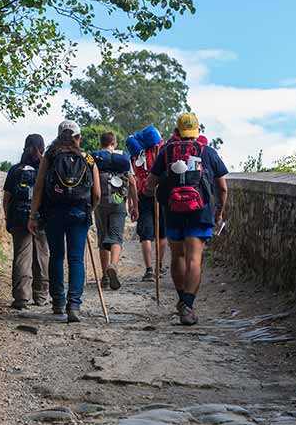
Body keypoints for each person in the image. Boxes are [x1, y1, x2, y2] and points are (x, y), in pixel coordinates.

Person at [147, 113, 229, 326]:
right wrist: (219, 213)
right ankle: (188, 305)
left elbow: (150, 182)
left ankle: (182, 299)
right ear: (197, 132)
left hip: (173, 211)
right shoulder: (208, 152)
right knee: (195, 259)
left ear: (177, 131)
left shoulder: (166, 152)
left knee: (178, 255)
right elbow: (222, 188)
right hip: (200, 211)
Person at [28, 120, 101, 322]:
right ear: (77, 137)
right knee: (76, 258)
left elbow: (39, 188)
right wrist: (90, 210)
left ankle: (58, 302)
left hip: (53, 213)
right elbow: (97, 194)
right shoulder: (88, 159)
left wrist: (33, 215)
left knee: (57, 256)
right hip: (79, 213)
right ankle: (74, 306)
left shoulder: (50, 157)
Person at [3, 135, 50, 309]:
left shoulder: (15, 170)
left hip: (19, 217)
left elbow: (7, 198)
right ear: (43, 148)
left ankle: (21, 297)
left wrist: (8, 217)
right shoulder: (45, 170)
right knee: (42, 256)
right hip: (41, 218)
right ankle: (41, 296)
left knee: (22, 257)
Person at [92, 132, 136, 290]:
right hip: (118, 200)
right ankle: (114, 265)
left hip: (100, 201)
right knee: (116, 237)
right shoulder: (123, 158)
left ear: (101, 143)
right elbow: (131, 182)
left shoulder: (96, 159)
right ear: (114, 143)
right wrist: (134, 204)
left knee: (103, 237)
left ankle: (104, 276)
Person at [126, 125, 167, 282]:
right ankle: (159, 265)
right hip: (161, 195)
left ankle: (149, 269)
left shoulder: (136, 155)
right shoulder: (160, 152)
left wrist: (132, 203)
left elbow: (133, 180)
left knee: (146, 235)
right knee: (162, 233)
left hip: (143, 196)